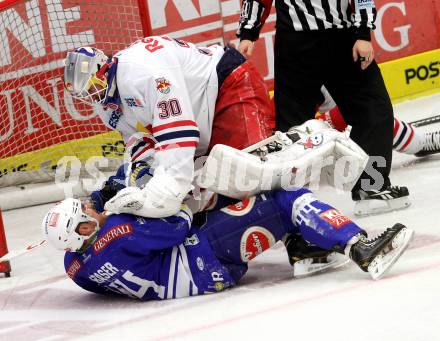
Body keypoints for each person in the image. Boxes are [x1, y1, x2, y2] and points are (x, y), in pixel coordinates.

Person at [42, 189, 414, 301]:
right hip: (204, 254)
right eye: (87, 211)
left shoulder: (74, 266)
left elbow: (103, 279)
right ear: (83, 227)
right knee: (284, 199)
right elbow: (177, 223)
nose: (93, 208)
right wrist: (185, 196)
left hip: (194, 276)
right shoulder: (120, 228)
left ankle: (306, 252)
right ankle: (360, 247)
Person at [63, 38, 274, 219]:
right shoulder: (105, 102)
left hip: (229, 84)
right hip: (199, 109)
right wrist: (145, 173)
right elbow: (139, 141)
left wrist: (167, 191)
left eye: (91, 87)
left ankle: (300, 237)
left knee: (252, 176)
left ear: (104, 69)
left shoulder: (142, 73)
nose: (90, 96)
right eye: (83, 94)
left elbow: (179, 132)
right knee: (208, 196)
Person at [237, 0, 408, 214]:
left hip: (337, 40)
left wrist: (363, 33)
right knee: (292, 129)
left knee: (372, 110)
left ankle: (370, 188)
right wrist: (248, 33)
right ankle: (291, 201)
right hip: (299, 44)